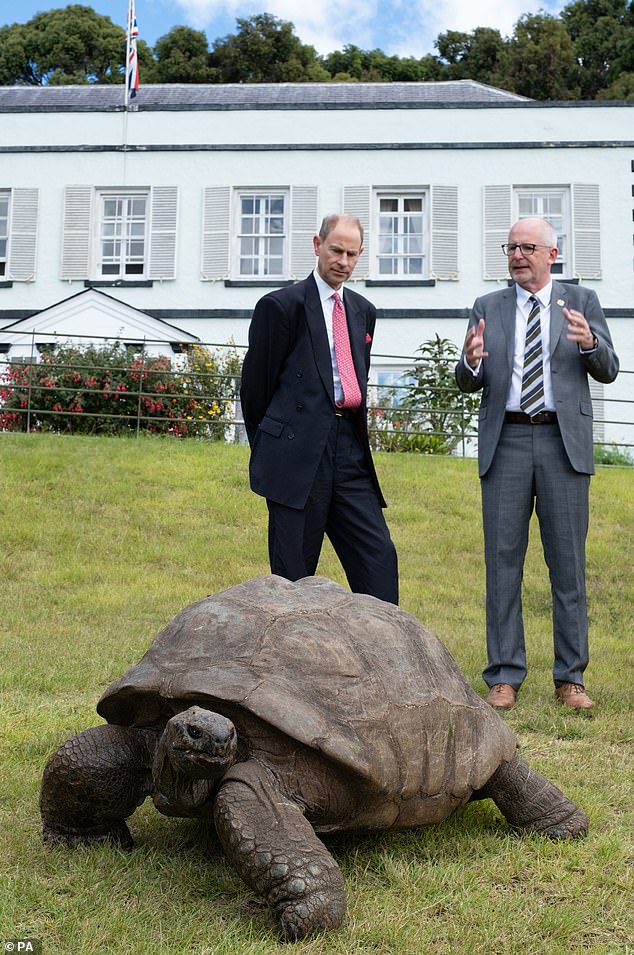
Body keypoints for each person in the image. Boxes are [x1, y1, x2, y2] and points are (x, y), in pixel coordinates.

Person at [455, 217, 619, 711]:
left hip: (561, 444)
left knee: (566, 566)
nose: (517, 255)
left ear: (552, 254)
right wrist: (470, 361)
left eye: (528, 247)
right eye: (511, 247)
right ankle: (504, 676)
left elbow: (609, 369)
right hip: (506, 443)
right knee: (502, 564)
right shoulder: (488, 307)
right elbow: (467, 379)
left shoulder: (582, 302)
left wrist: (589, 342)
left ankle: (570, 679)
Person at [240, 213, 398, 604]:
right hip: (295, 452)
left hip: (350, 451)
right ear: (317, 244)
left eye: (352, 254)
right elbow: (255, 390)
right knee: (292, 581)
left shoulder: (364, 311)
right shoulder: (280, 307)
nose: (342, 261)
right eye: (336, 250)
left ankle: (382, 660)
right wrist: (270, 448)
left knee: (379, 560)